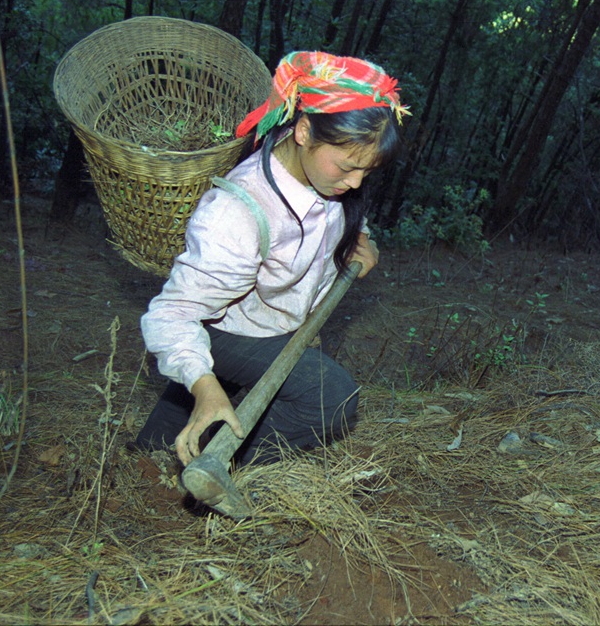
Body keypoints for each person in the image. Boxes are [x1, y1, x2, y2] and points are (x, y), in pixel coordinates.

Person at [135, 51, 408, 466]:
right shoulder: (237, 212)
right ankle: (221, 464)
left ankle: (148, 454)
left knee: (154, 449)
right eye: (349, 167)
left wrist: (360, 240)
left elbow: (345, 214)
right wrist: (206, 386)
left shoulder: (326, 175)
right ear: (302, 131)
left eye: (366, 174)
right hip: (220, 326)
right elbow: (171, 315)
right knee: (331, 395)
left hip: (265, 320)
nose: (355, 183)